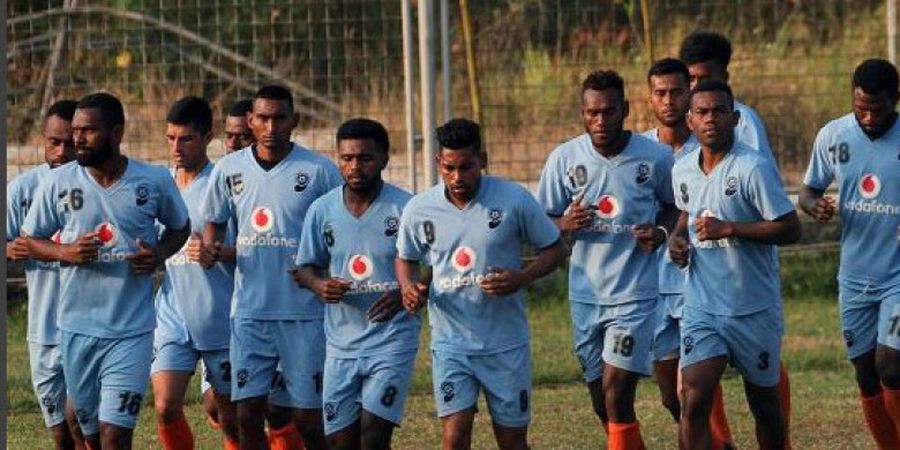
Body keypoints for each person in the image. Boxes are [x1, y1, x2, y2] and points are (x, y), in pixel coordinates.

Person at [22, 92, 191, 450]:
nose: (78, 139)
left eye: (88, 131)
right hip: (75, 329)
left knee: (116, 435)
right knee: (91, 436)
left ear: (116, 132)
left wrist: (158, 253)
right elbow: (30, 239)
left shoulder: (154, 180)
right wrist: (66, 252)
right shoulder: (58, 183)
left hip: (132, 330)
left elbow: (180, 227)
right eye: (76, 130)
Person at [396, 118, 567, 450]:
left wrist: (522, 277)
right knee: (454, 436)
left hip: (505, 344)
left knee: (512, 441)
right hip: (451, 344)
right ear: (437, 164)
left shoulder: (514, 199)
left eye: (466, 167)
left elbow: (557, 248)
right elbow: (405, 257)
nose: (457, 177)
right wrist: (408, 286)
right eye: (449, 168)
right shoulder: (420, 209)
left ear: (483, 160)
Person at [537, 70, 677, 449]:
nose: (600, 121)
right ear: (582, 113)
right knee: (602, 401)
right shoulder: (564, 158)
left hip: (635, 294)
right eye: (592, 113)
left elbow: (675, 206)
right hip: (585, 294)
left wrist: (661, 233)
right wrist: (563, 222)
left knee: (618, 393)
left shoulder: (656, 158)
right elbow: (540, 221)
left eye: (609, 112)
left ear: (625, 110)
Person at [202, 84, 342, 449]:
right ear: (251, 121)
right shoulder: (229, 170)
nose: (271, 126)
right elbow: (213, 222)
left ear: (294, 120)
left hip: (303, 313)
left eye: (280, 118)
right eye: (263, 118)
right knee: (247, 413)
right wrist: (210, 246)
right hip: (250, 311)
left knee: (307, 420)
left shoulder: (320, 171)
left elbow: (341, 226)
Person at [669, 80, 800, 449]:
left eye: (719, 111)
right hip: (702, 308)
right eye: (702, 112)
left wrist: (731, 228)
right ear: (690, 120)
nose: (711, 119)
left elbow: (790, 228)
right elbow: (685, 214)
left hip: (752, 309)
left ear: (735, 118)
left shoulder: (752, 168)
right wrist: (677, 240)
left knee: (765, 405)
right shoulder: (681, 170)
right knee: (692, 400)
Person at [294, 118, 420, 450]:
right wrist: (320, 286)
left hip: (392, 338)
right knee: (339, 442)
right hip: (340, 344)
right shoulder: (322, 210)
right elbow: (304, 267)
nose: (355, 166)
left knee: (374, 433)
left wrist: (404, 290)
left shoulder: (406, 208)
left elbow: (436, 263)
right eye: (347, 158)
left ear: (384, 159)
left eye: (365, 158)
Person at [799, 58, 900, 449]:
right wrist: (814, 206)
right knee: (865, 374)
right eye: (861, 108)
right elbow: (808, 191)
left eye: (878, 108)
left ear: (896, 99)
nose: (869, 117)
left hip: (897, 278)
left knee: (891, 365)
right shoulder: (833, 136)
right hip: (855, 276)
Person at [640, 58, 738, 449]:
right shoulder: (640, 151)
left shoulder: (713, 149)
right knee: (671, 396)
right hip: (654, 285)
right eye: (660, 93)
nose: (669, 101)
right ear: (649, 98)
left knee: (692, 389)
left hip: (702, 285)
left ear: (690, 93)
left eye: (677, 91)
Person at [150, 96, 240, 450]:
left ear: (207, 137)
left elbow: (256, 250)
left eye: (185, 139)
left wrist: (217, 252)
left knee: (229, 418)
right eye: (170, 138)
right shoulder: (159, 184)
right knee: (165, 405)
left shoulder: (225, 184)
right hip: (172, 315)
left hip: (220, 315)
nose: (176, 147)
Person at [7, 99, 85, 450]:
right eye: (54, 141)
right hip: (42, 328)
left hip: (86, 325)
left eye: (70, 142)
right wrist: (10, 249)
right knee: (59, 431)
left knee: (81, 421)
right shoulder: (22, 189)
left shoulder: (92, 186)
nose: (62, 151)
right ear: (43, 139)